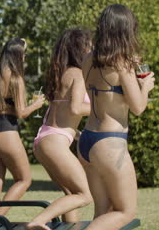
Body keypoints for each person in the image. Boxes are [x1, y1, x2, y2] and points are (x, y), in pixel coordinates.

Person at [78, 4, 155, 230]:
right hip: (109, 143)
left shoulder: (87, 59)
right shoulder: (122, 65)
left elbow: (104, 92)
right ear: (125, 31)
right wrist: (145, 86)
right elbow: (138, 107)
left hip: (88, 139)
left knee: (103, 212)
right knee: (125, 212)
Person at [27, 29, 93, 230]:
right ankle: (38, 221)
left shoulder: (61, 73)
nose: (93, 49)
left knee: (72, 194)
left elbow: (61, 110)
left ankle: (70, 227)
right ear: (80, 49)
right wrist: (104, 109)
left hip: (45, 139)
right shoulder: (78, 74)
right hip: (55, 142)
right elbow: (75, 108)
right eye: (90, 45)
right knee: (84, 195)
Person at [0, 37, 45, 216]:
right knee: (24, 180)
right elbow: (21, 113)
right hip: (5, 130)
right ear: (18, 55)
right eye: (24, 53)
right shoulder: (16, 79)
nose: (25, 57)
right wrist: (36, 104)